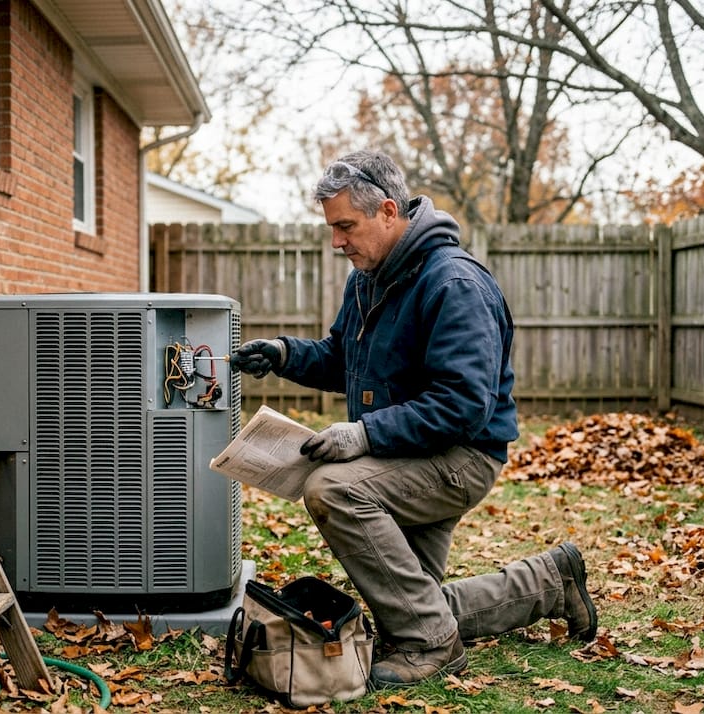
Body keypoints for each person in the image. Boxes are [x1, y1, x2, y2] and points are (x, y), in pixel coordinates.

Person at [230, 150, 597, 688]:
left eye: (345, 227)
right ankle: (549, 582)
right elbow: (343, 359)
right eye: (332, 228)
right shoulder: (369, 279)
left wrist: (364, 434)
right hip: (403, 453)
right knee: (412, 605)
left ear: (386, 211)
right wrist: (285, 354)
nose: (337, 242)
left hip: (459, 456)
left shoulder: (454, 283)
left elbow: (463, 404)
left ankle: (433, 647)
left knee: (333, 489)